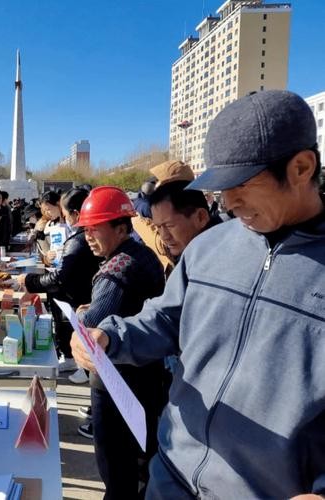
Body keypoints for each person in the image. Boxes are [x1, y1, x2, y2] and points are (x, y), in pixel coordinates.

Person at [71, 90, 325, 498]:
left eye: (240, 184)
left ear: (301, 167)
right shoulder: (210, 247)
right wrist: (111, 336)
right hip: (170, 476)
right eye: (221, 187)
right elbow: (167, 317)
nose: (227, 201)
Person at [73, 186, 166, 499]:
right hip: (145, 375)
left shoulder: (118, 269)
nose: (87, 236)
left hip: (117, 383)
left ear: (121, 227)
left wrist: (81, 315)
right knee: (136, 461)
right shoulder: (141, 254)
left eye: (94, 229)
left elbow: (92, 323)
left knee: (115, 465)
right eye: (85, 229)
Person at [16, 188, 102, 378]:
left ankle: (85, 369)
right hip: (74, 289)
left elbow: (60, 276)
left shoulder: (79, 240)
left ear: (75, 214)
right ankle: (72, 360)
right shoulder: (78, 236)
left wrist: (29, 281)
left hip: (78, 292)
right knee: (65, 324)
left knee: (80, 327)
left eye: (64, 214)